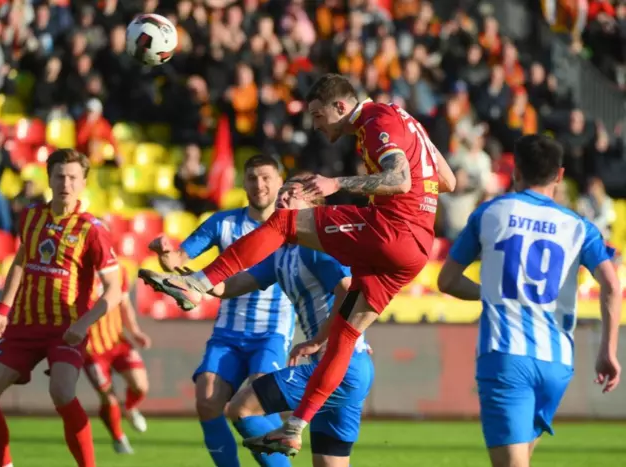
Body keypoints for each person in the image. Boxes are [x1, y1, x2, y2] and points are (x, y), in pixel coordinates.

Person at [140, 73, 456, 455]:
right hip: (417, 248)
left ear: (340, 106)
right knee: (344, 337)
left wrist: (336, 183)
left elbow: (400, 180)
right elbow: (448, 180)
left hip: (394, 229)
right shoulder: (405, 121)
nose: (316, 125)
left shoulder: (376, 122)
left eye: (318, 115)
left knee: (284, 223)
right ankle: (295, 426)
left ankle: (198, 283)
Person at [437, 134, 622, 467]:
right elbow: (611, 283)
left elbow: (447, 280)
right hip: (557, 364)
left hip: (506, 356)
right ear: (560, 175)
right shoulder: (578, 226)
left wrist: (490, 293)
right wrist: (608, 350)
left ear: (516, 171)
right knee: (521, 458)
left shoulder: (490, 212)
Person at [0, 149, 122, 467]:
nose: (66, 183)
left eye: (72, 177)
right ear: (49, 179)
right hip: (23, 326)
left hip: (66, 329)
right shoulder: (31, 216)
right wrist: (1, 312)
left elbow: (114, 290)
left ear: (83, 182)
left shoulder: (92, 229)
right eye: (59, 176)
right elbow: (20, 262)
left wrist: (84, 324)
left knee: (62, 392)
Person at [208, 176, 374, 465]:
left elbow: (348, 292)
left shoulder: (316, 246)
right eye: (281, 193)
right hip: (345, 367)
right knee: (329, 463)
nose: (282, 198)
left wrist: (317, 341)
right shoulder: (283, 251)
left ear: (313, 206)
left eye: (292, 194)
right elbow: (233, 285)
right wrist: (194, 283)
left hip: (341, 368)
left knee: (241, 408)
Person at [144, 154, 295, 467]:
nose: (259, 185)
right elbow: (178, 260)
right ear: (243, 183)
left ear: (280, 182)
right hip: (228, 332)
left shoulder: (294, 228)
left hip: (271, 333)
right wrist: (165, 254)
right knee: (207, 401)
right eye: (252, 178)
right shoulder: (223, 223)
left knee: (257, 402)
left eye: (266, 178)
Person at [83, 260, 152, 454]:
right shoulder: (77, 274)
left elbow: (125, 305)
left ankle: (129, 408)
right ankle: (118, 437)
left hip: (117, 342)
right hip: (91, 349)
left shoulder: (119, 269)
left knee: (140, 386)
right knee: (108, 396)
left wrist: (135, 332)